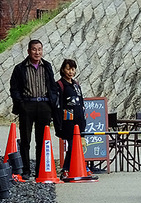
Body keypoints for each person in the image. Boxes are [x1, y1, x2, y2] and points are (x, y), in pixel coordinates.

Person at [9, 39, 60, 180]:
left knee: (41, 140)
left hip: (44, 105)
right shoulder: (20, 68)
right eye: (34, 49)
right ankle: (26, 170)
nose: (37, 52)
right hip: (27, 105)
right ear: (28, 51)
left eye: (39, 49)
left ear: (42, 51)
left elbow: (53, 87)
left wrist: (52, 102)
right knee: (26, 139)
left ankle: (39, 170)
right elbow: (14, 88)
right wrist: (21, 104)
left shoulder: (47, 66)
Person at [55, 59, 87, 177]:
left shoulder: (76, 84)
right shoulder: (59, 85)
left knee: (78, 145)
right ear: (63, 69)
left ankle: (78, 167)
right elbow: (58, 105)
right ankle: (66, 169)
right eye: (68, 69)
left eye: (73, 69)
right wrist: (59, 124)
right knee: (72, 145)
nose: (70, 72)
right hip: (68, 122)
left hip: (79, 120)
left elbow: (81, 101)